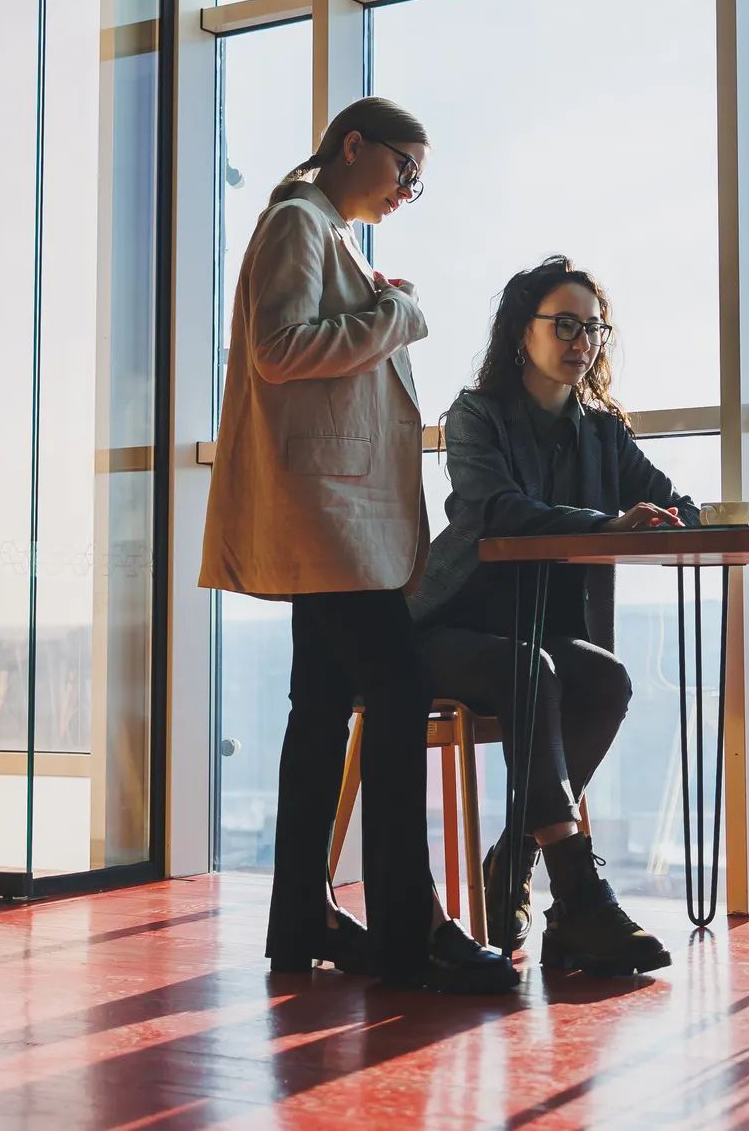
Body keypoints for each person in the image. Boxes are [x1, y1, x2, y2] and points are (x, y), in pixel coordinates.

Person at [200, 96, 515, 994]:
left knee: (321, 706)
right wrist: (399, 315)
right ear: (353, 145)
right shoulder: (302, 222)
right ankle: (411, 927)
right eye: (404, 169)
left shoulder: (319, 228)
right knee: (400, 686)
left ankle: (301, 918)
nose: (411, 190)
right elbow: (279, 349)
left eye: (420, 178)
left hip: (328, 514)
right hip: (328, 517)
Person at [409, 256, 697, 977]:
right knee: (530, 667)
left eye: (593, 328)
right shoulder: (476, 416)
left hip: (537, 637)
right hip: (445, 629)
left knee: (606, 681)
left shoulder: (601, 432)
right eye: (564, 325)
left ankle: (518, 856)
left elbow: (670, 501)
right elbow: (497, 510)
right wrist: (606, 522)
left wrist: (676, 518)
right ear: (521, 333)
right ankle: (579, 896)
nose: (582, 341)